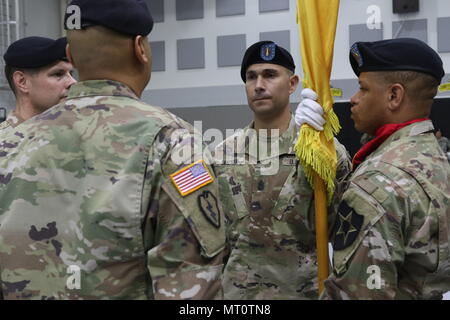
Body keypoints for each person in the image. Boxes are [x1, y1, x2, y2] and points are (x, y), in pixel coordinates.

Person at [0, 0, 226, 300]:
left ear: (71, 55)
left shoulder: (9, 144)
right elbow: (191, 287)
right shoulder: (172, 143)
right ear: (140, 48)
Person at [297, 38, 450, 299]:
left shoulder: (376, 183)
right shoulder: (434, 157)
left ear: (394, 96)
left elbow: (355, 293)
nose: (353, 100)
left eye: (363, 89)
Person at [213, 41, 351, 299]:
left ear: (292, 84)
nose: (258, 85)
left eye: (270, 75)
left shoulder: (318, 152)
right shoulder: (221, 155)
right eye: (251, 77)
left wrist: (324, 147)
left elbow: (345, 229)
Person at [0, 36, 76, 134]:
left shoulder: (73, 134)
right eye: (58, 74)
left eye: (71, 73)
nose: (73, 82)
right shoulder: (4, 142)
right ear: (22, 82)